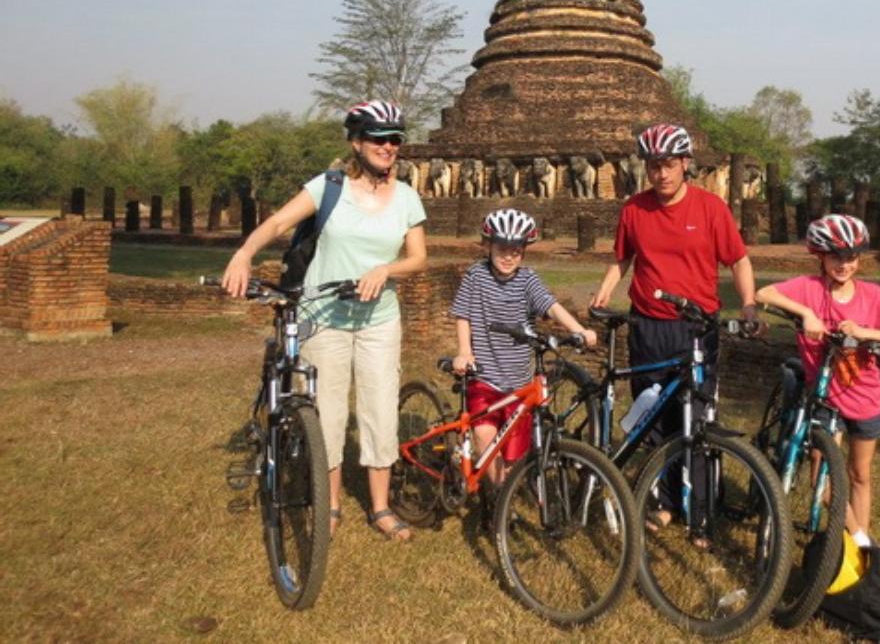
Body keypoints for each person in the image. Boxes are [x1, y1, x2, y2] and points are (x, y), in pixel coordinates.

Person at [222, 100, 427, 542]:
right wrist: (243, 253)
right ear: (357, 143)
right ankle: (331, 502)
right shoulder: (328, 187)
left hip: (379, 319)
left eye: (394, 140)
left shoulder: (407, 197)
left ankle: (380, 507)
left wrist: (385, 270)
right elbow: (278, 222)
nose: (388, 147)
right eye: (377, 139)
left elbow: (418, 257)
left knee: (378, 410)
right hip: (324, 317)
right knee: (329, 411)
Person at [591, 122, 759, 534]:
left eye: (668, 164)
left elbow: (738, 260)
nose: (661, 174)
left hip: (696, 329)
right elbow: (622, 258)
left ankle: (700, 512)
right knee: (654, 416)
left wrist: (750, 305)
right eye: (653, 166)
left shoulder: (710, 209)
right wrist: (604, 293)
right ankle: (663, 501)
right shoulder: (634, 209)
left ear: (686, 164)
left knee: (697, 420)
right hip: (648, 326)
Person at [755, 213, 880, 549]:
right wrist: (805, 313)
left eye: (851, 257)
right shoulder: (809, 289)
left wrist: (864, 332)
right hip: (826, 397)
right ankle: (861, 539)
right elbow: (763, 293)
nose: (844, 265)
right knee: (821, 475)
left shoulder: (872, 295)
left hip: (866, 397)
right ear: (821, 257)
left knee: (860, 475)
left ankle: (856, 546)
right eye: (836, 257)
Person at [450, 209, 597, 509]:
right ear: (487, 245)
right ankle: (499, 500)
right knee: (486, 439)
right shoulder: (476, 276)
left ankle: (502, 492)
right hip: (485, 377)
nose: (508, 257)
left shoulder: (528, 280)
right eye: (502, 249)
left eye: (516, 252)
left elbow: (552, 306)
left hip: (518, 383)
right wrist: (465, 351)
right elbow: (463, 314)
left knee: (515, 457)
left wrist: (579, 329)